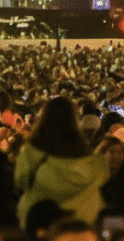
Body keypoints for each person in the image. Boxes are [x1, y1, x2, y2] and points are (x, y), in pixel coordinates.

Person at [14, 96, 109, 230]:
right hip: (82, 221)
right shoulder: (87, 158)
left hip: (39, 222)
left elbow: (20, 181)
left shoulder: (31, 152)